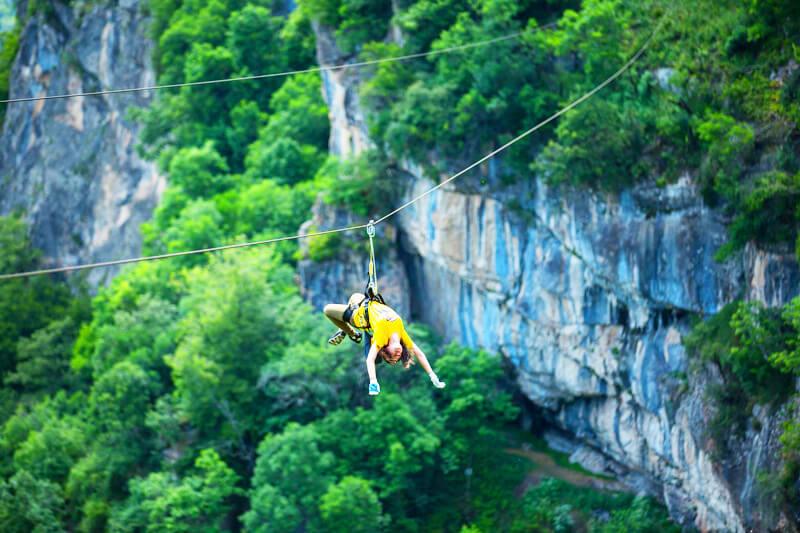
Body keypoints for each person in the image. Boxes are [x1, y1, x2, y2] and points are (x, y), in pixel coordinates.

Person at [324, 293, 446, 395]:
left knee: (328, 310)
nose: (397, 354)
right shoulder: (401, 334)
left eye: (392, 355)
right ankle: (344, 328)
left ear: (385, 347)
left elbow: (370, 359)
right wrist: (432, 376)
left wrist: (373, 382)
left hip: (358, 317)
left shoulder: (382, 338)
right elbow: (419, 354)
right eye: (398, 357)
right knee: (356, 297)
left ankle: (351, 332)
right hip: (364, 303)